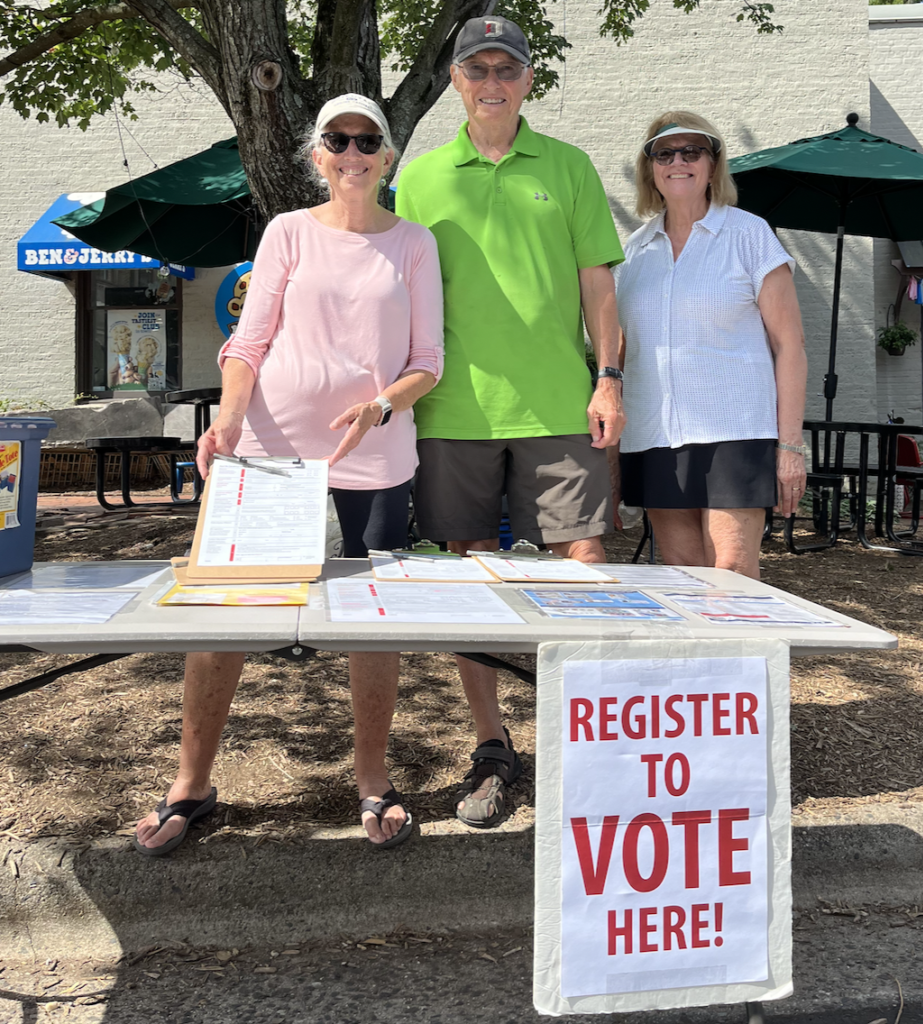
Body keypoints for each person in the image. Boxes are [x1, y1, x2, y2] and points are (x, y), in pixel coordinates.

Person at [133, 94, 444, 854]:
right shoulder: (287, 232)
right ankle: (193, 784)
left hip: (375, 458)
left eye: (367, 140)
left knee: (372, 629)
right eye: (337, 139)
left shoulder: (415, 243)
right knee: (224, 618)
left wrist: (382, 404)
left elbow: (427, 363)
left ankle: (371, 778)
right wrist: (230, 419)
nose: (352, 151)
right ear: (317, 155)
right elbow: (247, 342)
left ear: (387, 154)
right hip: (268, 457)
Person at [394, 16, 626, 828]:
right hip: (452, 410)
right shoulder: (419, 180)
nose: (492, 79)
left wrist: (608, 379)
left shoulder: (568, 167)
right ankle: (493, 746)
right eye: (476, 67)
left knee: (586, 563)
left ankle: (586, 741)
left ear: (529, 79)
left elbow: (600, 286)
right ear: (456, 80)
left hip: (560, 403)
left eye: (507, 67)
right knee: (467, 577)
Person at [615, 111, 807, 580]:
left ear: (713, 164)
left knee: (732, 570)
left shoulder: (749, 235)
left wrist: (790, 446)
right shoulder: (633, 252)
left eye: (692, 151)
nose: (678, 161)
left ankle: (742, 656)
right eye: (665, 152)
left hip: (736, 430)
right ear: (650, 168)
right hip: (655, 435)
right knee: (681, 573)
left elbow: (790, 346)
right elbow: (620, 357)